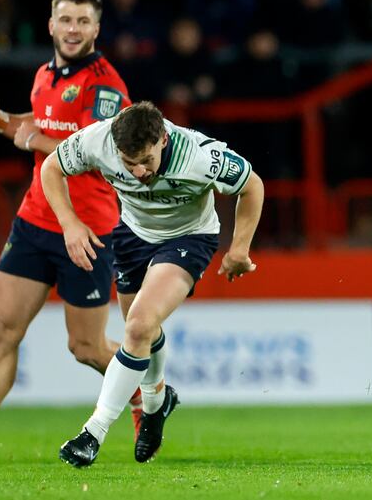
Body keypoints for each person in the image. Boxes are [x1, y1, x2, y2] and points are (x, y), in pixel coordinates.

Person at [0, 0, 134, 465]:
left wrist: (31, 138)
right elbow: (39, 125)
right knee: (3, 329)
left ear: (96, 29)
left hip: (87, 228)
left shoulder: (106, 87)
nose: (73, 29)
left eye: (83, 21)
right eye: (65, 19)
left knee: (84, 347)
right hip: (36, 220)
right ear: (50, 24)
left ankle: (147, 386)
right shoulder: (45, 75)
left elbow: (89, 151)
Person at [40, 101, 264, 467]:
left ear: (163, 139)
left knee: (139, 323)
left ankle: (92, 433)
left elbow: (252, 185)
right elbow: (52, 167)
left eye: (146, 160)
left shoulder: (199, 155)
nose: (139, 171)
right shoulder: (100, 139)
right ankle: (157, 404)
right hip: (132, 235)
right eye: (130, 165)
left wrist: (239, 248)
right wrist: (69, 223)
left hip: (189, 238)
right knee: (141, 330)